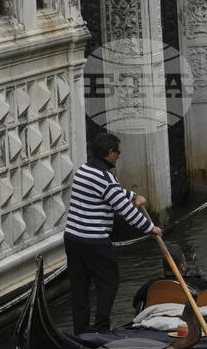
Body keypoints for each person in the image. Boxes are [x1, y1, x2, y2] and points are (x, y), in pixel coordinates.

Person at [64, 132, 162, 333]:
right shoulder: (105, 178)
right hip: (95, 242)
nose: (119, 156)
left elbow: (110, 192)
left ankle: (80, 331)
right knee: (109, 283)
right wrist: (150, 228)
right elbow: (125, 211)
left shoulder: (84, 169)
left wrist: (133, 195)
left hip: (73, 239)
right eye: (118, 152)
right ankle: (101, 329)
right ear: (109, 153)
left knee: (79, 287)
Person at [132, 243, 207, 312]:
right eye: (185, 261)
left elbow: (136, 303)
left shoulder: (151, 285)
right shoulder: (199, 284)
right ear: (182, 267)